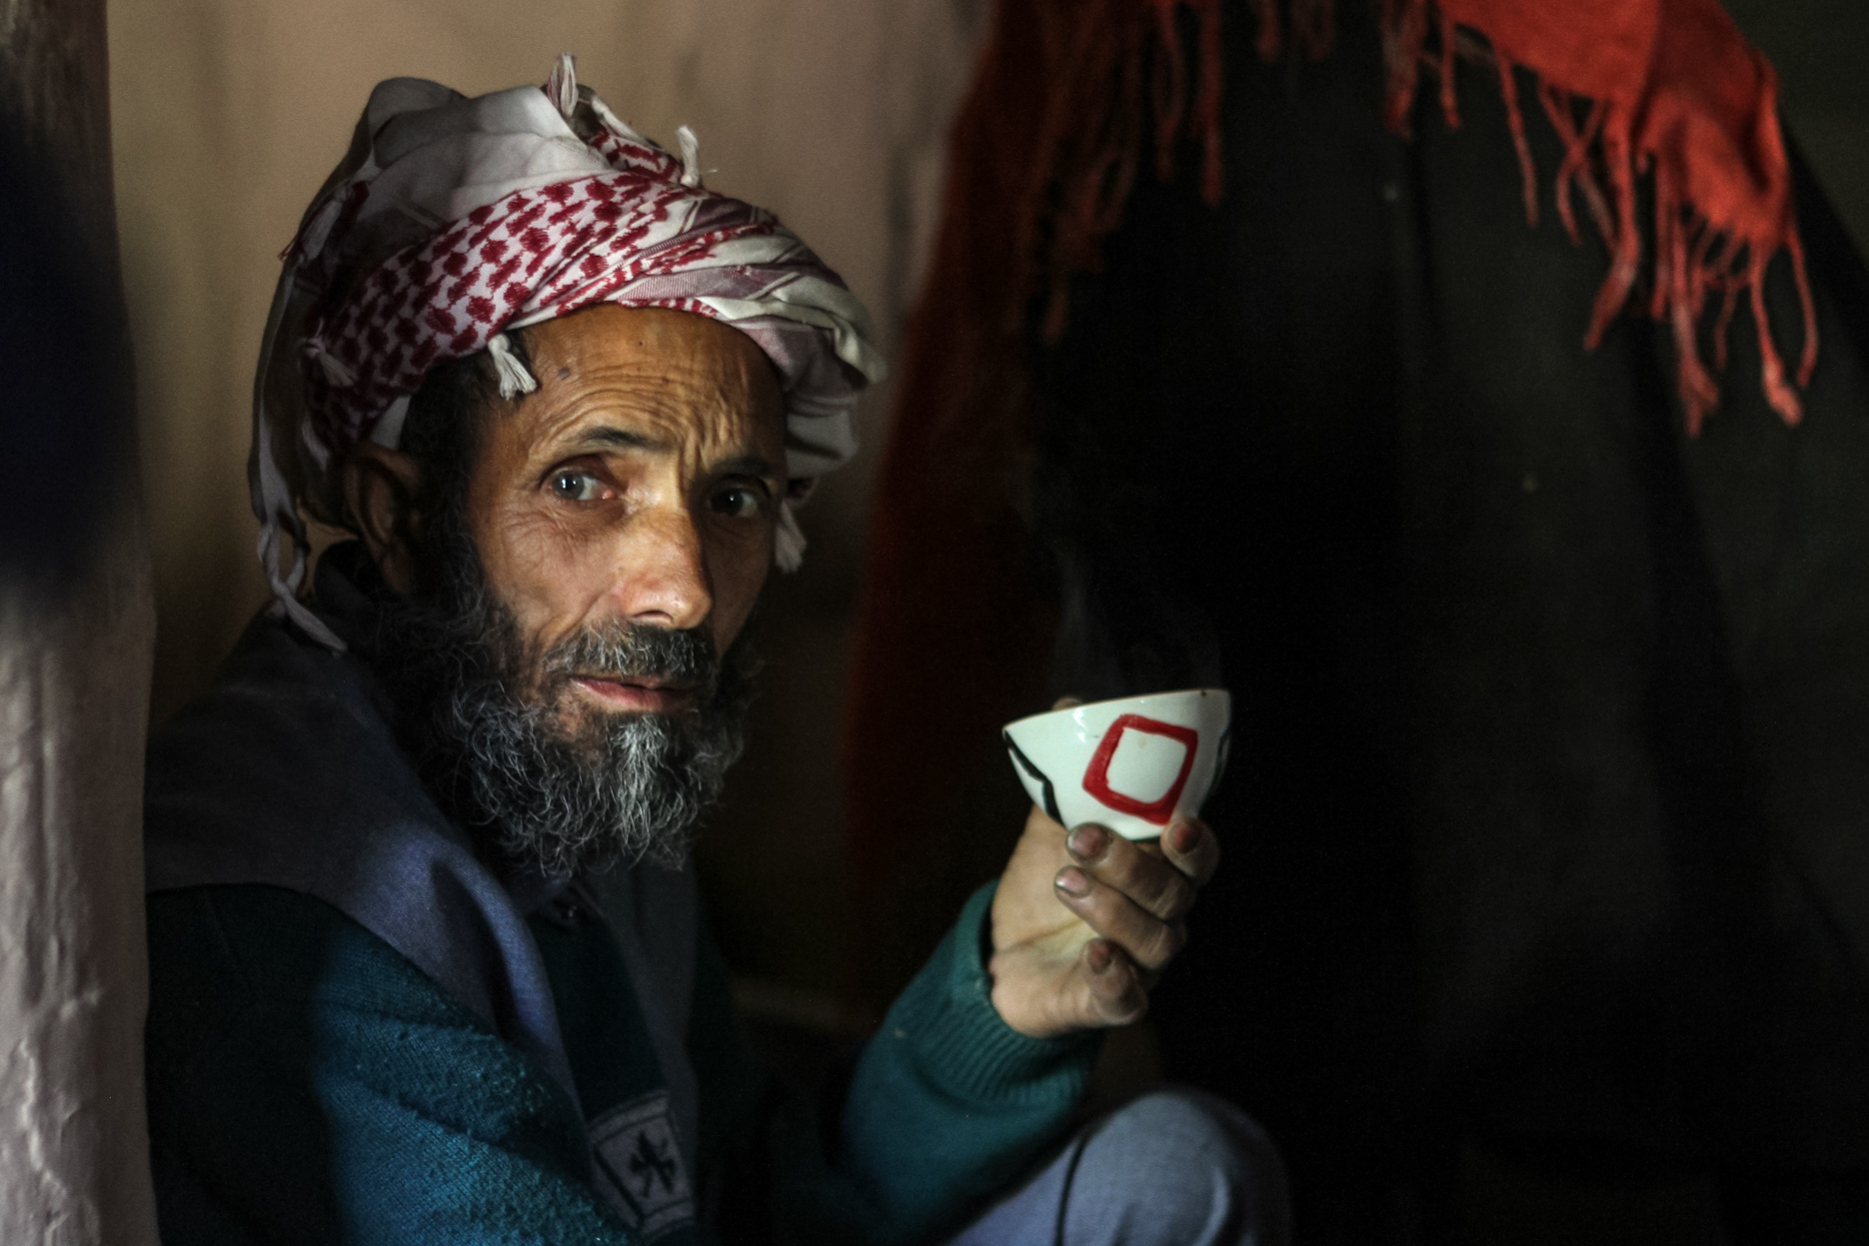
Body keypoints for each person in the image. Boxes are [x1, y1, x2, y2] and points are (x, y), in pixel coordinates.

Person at [140, 59, 1287, 1246]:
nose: (683, 588)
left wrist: (1008, 996)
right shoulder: (280, 915)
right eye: (583, 483)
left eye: (733, 499)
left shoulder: (559, 734)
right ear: (399, 515)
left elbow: (742, 1196)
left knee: (1181, 1167)